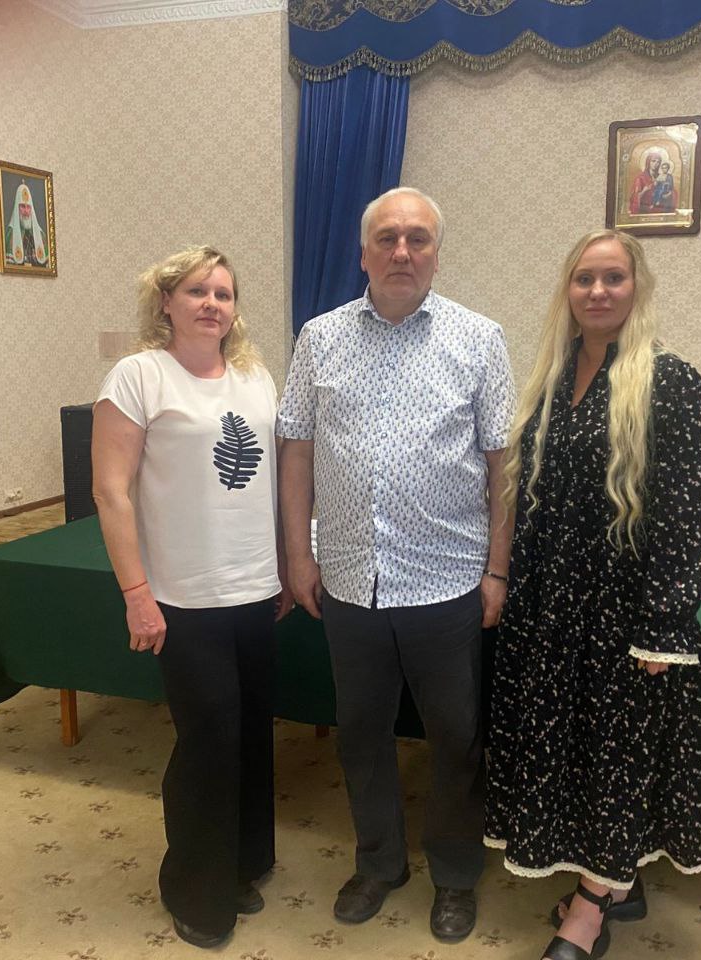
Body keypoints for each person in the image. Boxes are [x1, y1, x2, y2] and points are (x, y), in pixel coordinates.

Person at [277, 186, 515, 943]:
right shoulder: (318, 338)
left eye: (417, 238)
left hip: (448, 580)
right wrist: (298, 554)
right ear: (363, 253)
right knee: (361, 735)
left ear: (437, 253)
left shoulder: (480, 339)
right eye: (387, 238)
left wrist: (498, 571)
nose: (402, 251)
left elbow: (502, 465)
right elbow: (296, 451)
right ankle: (379, 863)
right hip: (349, 580)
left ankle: (455, 874)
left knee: (454, 737)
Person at [484, 229, 701, 960]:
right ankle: (617, 879)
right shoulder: (551, 379)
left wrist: (665, 623)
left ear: (637, 288)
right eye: (584, 278)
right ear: (568, 290)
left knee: (615, 758)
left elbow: (686, 510)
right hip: (552, 604)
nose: (598, 291)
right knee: (575, 751)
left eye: (613, 277)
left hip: (622, 613)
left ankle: (587, 911)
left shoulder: (671, 381)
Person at [91, 245, 292, 949]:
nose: (212, 304)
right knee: (207, 741)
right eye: (198, 291)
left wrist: (283, 566)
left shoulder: (255, 377)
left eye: (224, 294)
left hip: (255, 589)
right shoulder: (138, 376)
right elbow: (111, 492)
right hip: (183, 596)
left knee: (251, 735)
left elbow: (274, 479)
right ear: (166, 302)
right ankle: (195, 889)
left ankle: (241, 864)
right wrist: (136, 593)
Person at [4, 181, 47, 265]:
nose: (26, 211)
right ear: (17, 208)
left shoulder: (41, 235)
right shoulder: (11, 233)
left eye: (28, 207)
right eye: (23, 206)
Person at [628, 149, 665, 216]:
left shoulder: (661, 177)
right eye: (653, 161)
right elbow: (635, 197)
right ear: (648, 162)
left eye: (658, 162)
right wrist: (644, 190)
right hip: (644, 211)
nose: (656, 164)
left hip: (658, 209)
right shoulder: (640, 178)